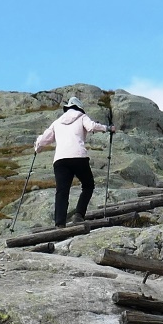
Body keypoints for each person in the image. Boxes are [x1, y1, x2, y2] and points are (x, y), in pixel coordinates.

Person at [34, 97, 107, 229]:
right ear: (79, 108)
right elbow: (92, 127)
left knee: (62, 191)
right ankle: (78, 215)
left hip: (60, 160)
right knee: (88, 185)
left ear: (67, 108)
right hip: (78, 157)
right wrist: (107, 128)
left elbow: (43, 140)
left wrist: (37, 148)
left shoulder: (57, 122)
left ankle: (59, 223)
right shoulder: (82, 117)